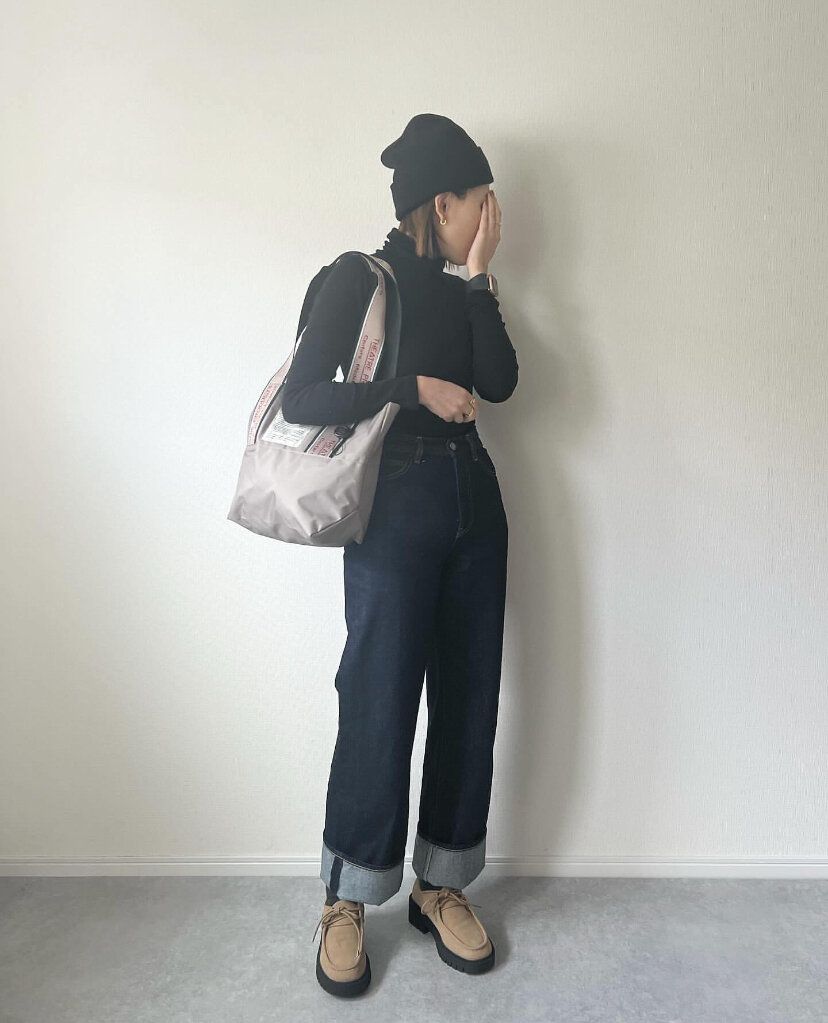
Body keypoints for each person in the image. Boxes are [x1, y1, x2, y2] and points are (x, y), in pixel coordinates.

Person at [283, 113, 518, 997]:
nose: (492, 218)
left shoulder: (463, 289)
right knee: (378, 693)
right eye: (483, 203)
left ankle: (441, 882)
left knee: (469, 694)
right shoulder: (359, 278)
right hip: (394, 507)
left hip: (474, 502)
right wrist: (410, 388)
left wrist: (482, 277)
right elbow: (303, 397)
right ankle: (347, 893)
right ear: (442, 202)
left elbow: (501, 382)